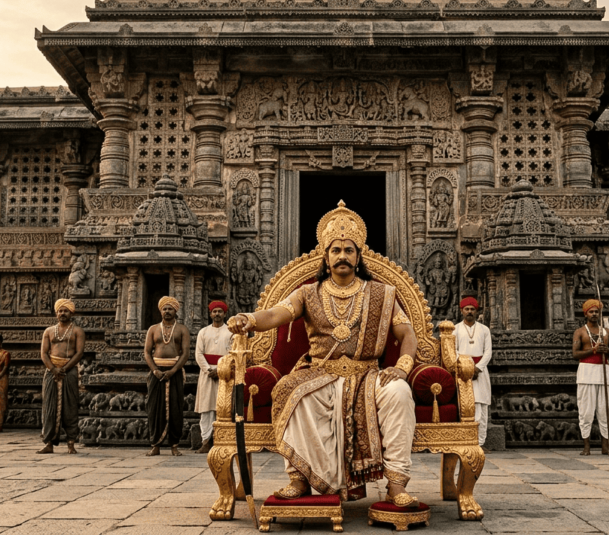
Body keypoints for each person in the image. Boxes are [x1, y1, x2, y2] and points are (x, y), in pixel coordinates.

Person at [228, 201, 419, 506]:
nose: (342, 255)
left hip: (368, 375)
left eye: (349, 250)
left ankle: (396, 485)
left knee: (398, 392)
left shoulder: (382, 294)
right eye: (335, 250)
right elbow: (278, 314)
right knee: (289, 391)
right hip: (320, 374)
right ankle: (299, 479)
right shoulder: (307, 293)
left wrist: (403, 367)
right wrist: (249, 319)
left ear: (359, 256)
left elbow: (407, 333)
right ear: (326, 257)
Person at [144, 296, 190, 456]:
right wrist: (155, 370)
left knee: (176, 408)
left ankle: (174, 446)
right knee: (154, 408)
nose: (167, 311)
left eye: (170, 308)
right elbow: (147, 352)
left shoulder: (182, 329)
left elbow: (185, 353)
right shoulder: (153, 329)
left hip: (175, 371)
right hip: (156, 372)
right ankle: (155, 445)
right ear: (160, 310)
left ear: (175, 310)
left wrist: (173, 370)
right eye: (165, 308)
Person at [39, 298, 85, 454]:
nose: (62, 313)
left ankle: (71, 443)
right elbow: (44, 353)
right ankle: (49, 442)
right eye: (60, 311)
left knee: (70, 406)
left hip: (69, 370)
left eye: (65, 311)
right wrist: (53, 369)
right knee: (49, 407)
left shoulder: (77, 331)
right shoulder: (49, 331)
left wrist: (64, 368)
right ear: (56, 313)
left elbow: (79, 353)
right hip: (51, 371)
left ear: (71, 312)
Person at [572, 299, 609, 456]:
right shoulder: (580, 332)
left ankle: (606, 446)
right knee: (586, 411)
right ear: (585, 313)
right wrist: (593, 350)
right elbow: (575, 354)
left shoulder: (608, 333)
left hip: (603, 371)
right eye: (591, 311)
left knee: (605, 410)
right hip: (586, 372)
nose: (594, 314)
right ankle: (586, 447)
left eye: (596, 311)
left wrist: (606, 350)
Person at [194, 300, 234, 453]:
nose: (217, 314)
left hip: (225, 375)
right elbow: (198, 353)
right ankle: (205, 441)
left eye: (220, 311)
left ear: (225, 313)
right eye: (214, 311)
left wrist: (220, 370)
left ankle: (221, 441)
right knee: (206, 408)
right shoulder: (203, 332)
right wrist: (208, 369)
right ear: (210, 314)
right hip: (206, 375)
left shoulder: (231, 332)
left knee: (222, 407)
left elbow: (232, 354)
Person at [454, 297, 492, 446]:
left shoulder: (484, 330)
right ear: (461, 310)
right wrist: (467, 367)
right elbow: (453, 351)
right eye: (467, 309)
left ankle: (480, 443)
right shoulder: (455, 329)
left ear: (477, 311)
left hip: (481, 373)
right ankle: (466, 442)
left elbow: (488, 352)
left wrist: (478, 368)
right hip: (463, 372)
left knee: (482, 407)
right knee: (466, 406)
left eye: (472, 309)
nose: (469, 312)